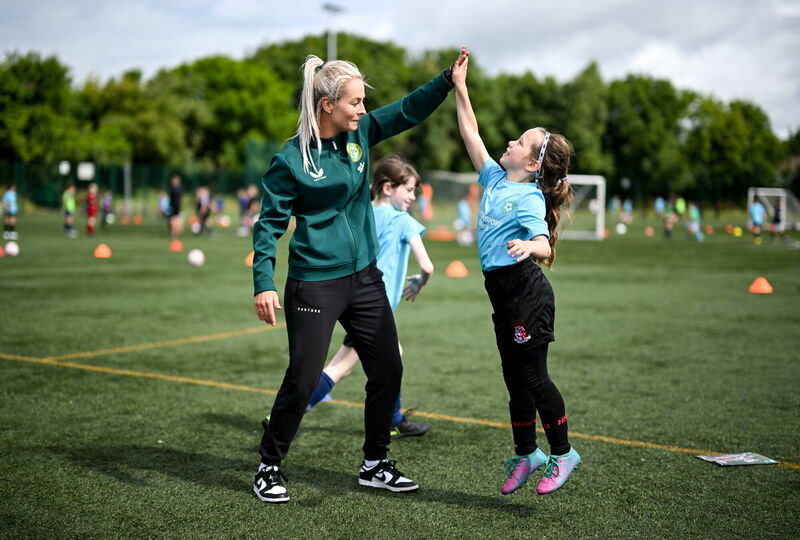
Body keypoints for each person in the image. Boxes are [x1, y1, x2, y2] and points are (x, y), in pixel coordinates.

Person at [251, 49, 467, 504]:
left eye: (363, 102)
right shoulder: (291, 160)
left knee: (388, 366)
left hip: (364, 276)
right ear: (327, 105)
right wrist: (264, 283)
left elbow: (408, 110)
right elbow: (269, 224)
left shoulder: (361, 134)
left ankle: (375, 463)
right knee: (304, 378)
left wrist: (446, 79)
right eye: (355, 102)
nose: (363, 110)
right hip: (314, 282)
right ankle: (269, 464)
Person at [452, 47, 580, 496]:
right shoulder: (493, 178)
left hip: (528, 296)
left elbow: (543, 242)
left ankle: (563, 454)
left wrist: (532, 244)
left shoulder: (528, 198)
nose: (509, 142)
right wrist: (461, 88)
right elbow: (470, 132)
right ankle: (529, 455)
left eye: (520, 143)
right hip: (503, 296)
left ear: (532, 164)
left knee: (534, 378)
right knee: (513, 379)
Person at [304, 154, 434, 440]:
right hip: (375, 307)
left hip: (351, 298)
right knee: (340, 367)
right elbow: (427, 266)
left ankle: (395, 419)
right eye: (409, 189)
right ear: (388, 187)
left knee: (393, 357)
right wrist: (421, 281)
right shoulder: (403, 221)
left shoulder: (362, 214)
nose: (413, 196)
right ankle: (284, 414)